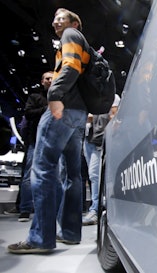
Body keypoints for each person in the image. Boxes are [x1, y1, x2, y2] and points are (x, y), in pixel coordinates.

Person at [8, 8, 89, 254]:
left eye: (61, 18)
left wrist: (54, 95)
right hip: (79, 114)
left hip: (63, 109)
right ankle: (71, 233)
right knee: (73, 176)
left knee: (43, 168)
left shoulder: (71, 35)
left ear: (75, 22)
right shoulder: (82, 41)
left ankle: (41, 237)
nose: (55, 22)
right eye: (54, 18)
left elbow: (71, 67)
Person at [18, 71, 53, 222]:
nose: (50, 80)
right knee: (29, 176)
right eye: (47, 78)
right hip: (36, 140)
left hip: (55, 141)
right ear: (42, 81)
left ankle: (49, 209)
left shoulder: (61, 97)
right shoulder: (35, 97)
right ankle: (25, 209)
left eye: (52, 78)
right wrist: (46, 109)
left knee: (54, 177)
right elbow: (28, 112)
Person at [82, 94, 120, 225]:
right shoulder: (87, 96)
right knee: (94, 176)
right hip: (88, 139)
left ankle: (96, 209)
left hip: (101, 139)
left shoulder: (112, 97)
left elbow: (114, 117)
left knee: (95, 175)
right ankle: (99, 208)